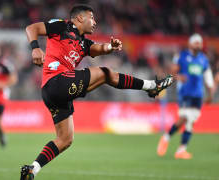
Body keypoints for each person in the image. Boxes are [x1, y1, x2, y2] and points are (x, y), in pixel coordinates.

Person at [21, 5, 173, 180]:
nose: (95, 22)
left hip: (52, 93)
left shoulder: (84, 42)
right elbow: (32, 28)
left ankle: (32, 169)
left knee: (65, 139)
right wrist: (35, 48)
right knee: (105, 73)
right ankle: (152, 86)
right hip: (57, 81)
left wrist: (111, 47)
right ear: (79, 18)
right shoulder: (62, 26)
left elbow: (98, 49)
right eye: (91, 17)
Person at [157, 33, 215, 160]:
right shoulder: (182, 56)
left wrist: (210, 93)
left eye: (199, 43)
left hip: (198, 94)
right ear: (190, 44)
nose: (198, 45)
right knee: (185, 117)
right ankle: (166, 138)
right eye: (196, 42)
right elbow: (172, 72)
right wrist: (179, 77)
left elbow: (207, 76)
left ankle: (181, 150)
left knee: (191, 121)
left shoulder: (203, 59)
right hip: (185, 93)